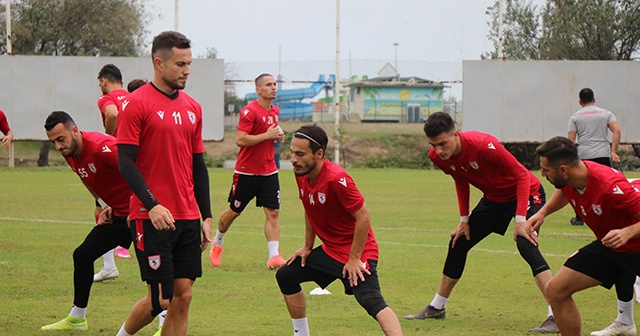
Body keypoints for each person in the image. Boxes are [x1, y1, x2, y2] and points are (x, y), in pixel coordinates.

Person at [404, 112, 556, 333]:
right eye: (433, 145)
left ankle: (556, 312)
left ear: (455, 135)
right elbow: (460, 178)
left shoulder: (483, 145)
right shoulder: (437, 156)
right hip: (494, 199)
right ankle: (437, 306)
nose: (438, 150)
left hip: (527, 193)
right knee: (459, 242)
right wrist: (464, 220)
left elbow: (522, 176)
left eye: (443, 143)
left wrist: (520, 220)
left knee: (526, 244)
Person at [115, 31, 212, 336]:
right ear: (159, 63)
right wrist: (152, 204)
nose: (187, 70)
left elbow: (198, 165)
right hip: (151, 217)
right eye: (181, 64)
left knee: (183, 297)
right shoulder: (136, 104)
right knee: (161, 299)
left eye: (189, 63)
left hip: (186, 216)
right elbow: (125, 161)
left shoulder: (193, 107)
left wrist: (206, 215)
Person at [276, 124, 403, 336]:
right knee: (286, 275)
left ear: (319, 154)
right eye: (292, 152)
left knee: (370, 299)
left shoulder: (336, 179)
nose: (293, 159)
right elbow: (309, 206)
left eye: (300, 154)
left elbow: (363, 217)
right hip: (330, 250)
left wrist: (354, 259)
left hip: (359, 252)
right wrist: (308, 246)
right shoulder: (301, 173)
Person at [523, 136, 640, 336]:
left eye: (545, 169)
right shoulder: (572, 177)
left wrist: (627, 232)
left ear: (562, 170)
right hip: (610, 248)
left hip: (636, 248)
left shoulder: (610, 187)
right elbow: (565, 190)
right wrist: (542, 213)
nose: (542, 174)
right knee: (555, 290)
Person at [40, 111, 133, 331]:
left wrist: (143, 207)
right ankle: (77, 318)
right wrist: (103, 204)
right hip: (118, 216)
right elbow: (85, 177)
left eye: (60, 139)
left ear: (74, 131)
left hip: (140, 214)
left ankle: (165, 323)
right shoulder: (69, 151)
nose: (58, 147)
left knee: (155, 269)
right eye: (53, 142)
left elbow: (141, 168)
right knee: (82, 255)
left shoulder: (102, 147)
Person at [210, 73, 286, 269]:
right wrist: (266, 135)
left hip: (269, 171)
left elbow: (270, 134)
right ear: (258, 90)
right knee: (234, 211)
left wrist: (278, 136)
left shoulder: (275, 111)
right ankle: (217, 242)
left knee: (273, 212)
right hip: (247, 172)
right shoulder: (249, 111)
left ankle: (273, 256)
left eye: (275, 84)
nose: (273, 87)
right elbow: (241, 140)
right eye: (269, 85)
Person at [93, 64, 133, 282]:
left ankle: (109, 265)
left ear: (104, 81)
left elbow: (112, 113)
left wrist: (108, 138)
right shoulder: (132, 98)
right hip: (135, 159)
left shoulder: (107, 99)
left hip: (115, 158)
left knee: (102, 207)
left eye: (100, 83)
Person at [567, 87, 621, 226]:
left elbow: (571, 141)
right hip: (602, 154)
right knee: (607, 186)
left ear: (580, 101)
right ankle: (612, 213)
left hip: (584, 157)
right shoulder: (606, 113)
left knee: (581, 187)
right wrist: (613, 151)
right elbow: (617, 130)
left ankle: (580, 217)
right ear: (594, 99)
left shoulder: (575, 117)